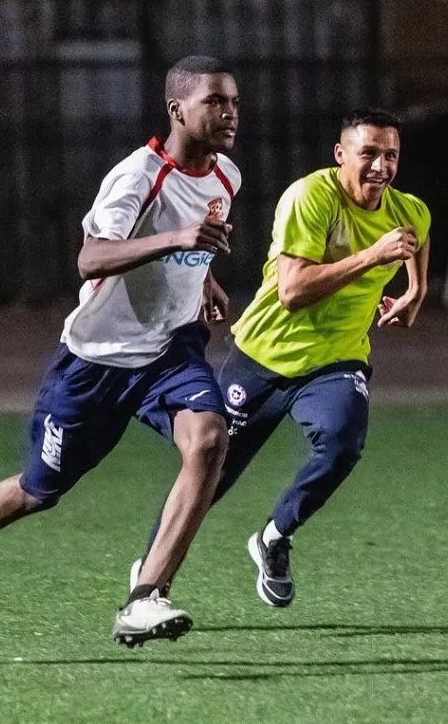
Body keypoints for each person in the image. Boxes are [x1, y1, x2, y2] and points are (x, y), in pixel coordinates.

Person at [0, 55, 242, 646]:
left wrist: (205, 280)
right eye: (214, 102)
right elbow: (91, 258)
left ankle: (147, 594)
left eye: (233, 102)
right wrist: (176, 239)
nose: (228, 113)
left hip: (171, 350)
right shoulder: (138, 176)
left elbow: (188, 252)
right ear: (177, 110)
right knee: (39, 491)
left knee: (210, 440)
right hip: (96, 362)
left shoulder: (226, 176)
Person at [133, 107, 430, 607]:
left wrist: (417, 291)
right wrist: (372, 257)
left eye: (391, 156)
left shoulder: (408, 210)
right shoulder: (311, 197)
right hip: (262, 357)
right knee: (210, 474)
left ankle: (274, 536)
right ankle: (148, 576)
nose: (381, 167)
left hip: (336, 360)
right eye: (370, 154)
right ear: (341, 155)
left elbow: (417, 236)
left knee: (342, 441)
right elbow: (292, 291)